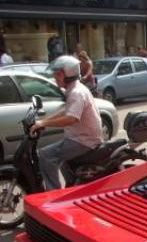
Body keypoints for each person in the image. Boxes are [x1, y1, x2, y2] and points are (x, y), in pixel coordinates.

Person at [30, 55, 102, 190]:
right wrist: (44, 121)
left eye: (57, 74)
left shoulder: (76, 92)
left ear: (66, 74)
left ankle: (54, 194)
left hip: (83, 140)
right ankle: (72, 188)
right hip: (81, 137)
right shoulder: (74, 89)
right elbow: (66, 111)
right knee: (62, 161)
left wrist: (43, 124)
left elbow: (71, 118)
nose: (55, 78)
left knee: (45, 155)